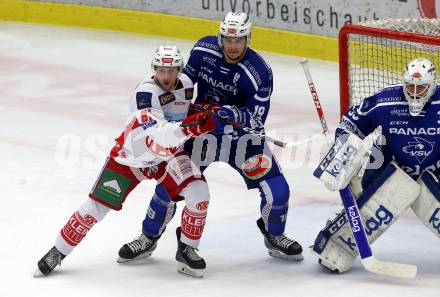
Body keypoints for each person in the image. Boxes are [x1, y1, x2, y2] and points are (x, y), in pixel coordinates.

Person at [117, 12, 303, 265]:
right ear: (220, 37)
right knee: (169, 187)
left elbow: (257, 120)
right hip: (202, 133)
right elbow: (180, 84)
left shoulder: (260, 72)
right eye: (228, 39)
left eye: (239, 40)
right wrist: (161, 103)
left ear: (248, 39)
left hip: (240, 139)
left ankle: (274, 235)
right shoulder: (203, 50)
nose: (233, 46)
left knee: (278, 191)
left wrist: (233, 113)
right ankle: (148, 236)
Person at [35, 46, 216, 278]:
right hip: (132, 156)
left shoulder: (187, 87)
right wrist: (192, 127)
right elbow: (160, 134)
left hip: (167, 158)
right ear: (153, 70)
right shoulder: (144, 94)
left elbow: (184, 110)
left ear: (179, 70)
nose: (167, 76)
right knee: (95, 208)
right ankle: (57, 252)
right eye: (161, 70)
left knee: (199, 192)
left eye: (172, 70)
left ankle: (188, 249)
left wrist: (205, 112)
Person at [311, 58, 440, 273]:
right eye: (410, 86)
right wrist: (343, 156)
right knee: (369, 209)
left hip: (435, 169)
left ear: (432, 85)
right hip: (389, 166)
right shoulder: (385, 100)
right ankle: (337, 246)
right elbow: (350, 123)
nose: (415, 93)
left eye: (422, 87)